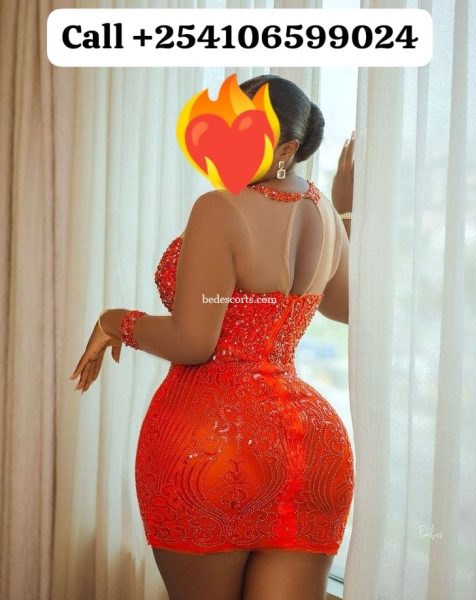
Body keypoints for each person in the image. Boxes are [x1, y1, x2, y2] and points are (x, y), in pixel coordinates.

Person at [70, 74, 355, 600]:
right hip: (312, 450)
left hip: (211, 448)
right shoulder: (326, 217)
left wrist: (115, 321)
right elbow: (344, 307)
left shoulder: (220, 207)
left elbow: (193, 341)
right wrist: (345, 211)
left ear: (286, 149)